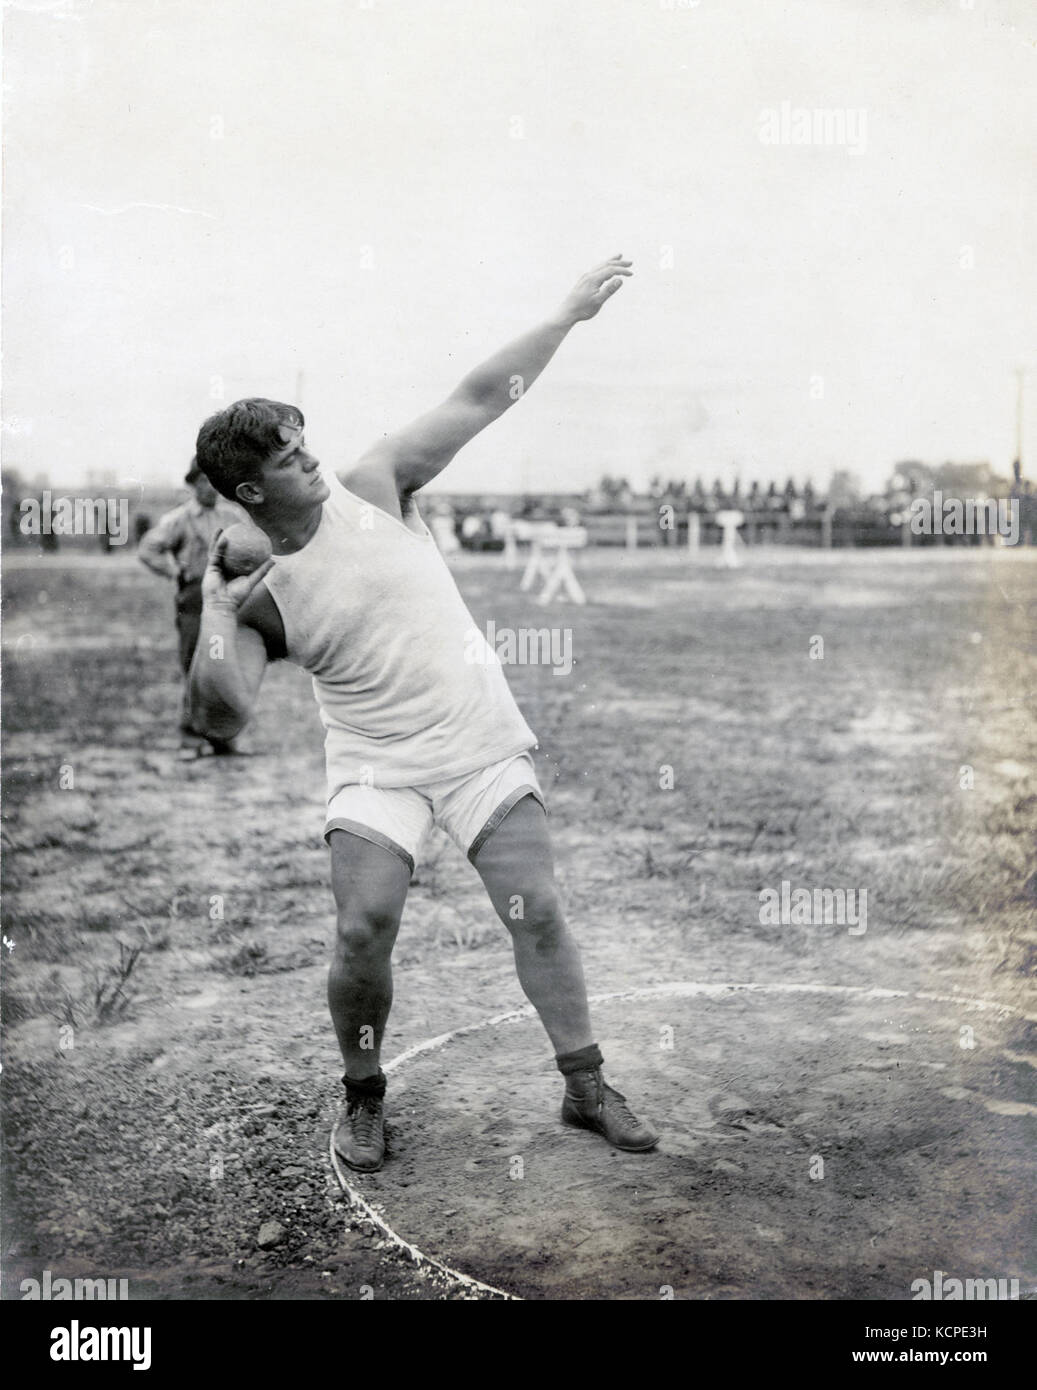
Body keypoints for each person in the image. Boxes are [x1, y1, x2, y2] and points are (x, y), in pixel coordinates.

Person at [189, 256, 658, 1172]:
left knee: (539, 912)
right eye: (289, 460)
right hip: (375, 764)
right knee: (364, 928)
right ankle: (363, 1098)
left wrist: (563, 315)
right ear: (251, 492)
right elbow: (220, 718)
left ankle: (584, 1085)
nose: (311, 459)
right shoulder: (262, 600)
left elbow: (483, 395)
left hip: (477, 743)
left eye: (304, 442)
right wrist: (212, 601)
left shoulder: (374, 483)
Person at [138, 460, 244, 757]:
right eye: (204, 482)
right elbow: (148, 549)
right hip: (194, 601)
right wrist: (175, 572)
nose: (211, 488)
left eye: (215, 482)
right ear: (194, 484)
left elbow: (249, 548)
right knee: (195, 666)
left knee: (223, 668)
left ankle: (222, 737)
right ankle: (191, 737)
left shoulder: (231, 515)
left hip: (225, 600)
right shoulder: (179, 519)